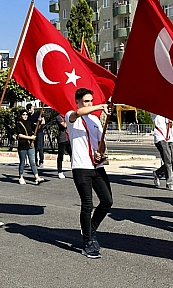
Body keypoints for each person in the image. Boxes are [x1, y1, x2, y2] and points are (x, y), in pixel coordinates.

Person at [66, 88, 113, 259]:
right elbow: (79, 112)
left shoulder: (95, 120)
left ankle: (90, 228)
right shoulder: (72, 117)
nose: (90, 104)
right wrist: (101, 105)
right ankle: (87, 243)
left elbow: (101, 142)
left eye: (91, 101)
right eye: (86, 101)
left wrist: (102, 153)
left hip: (97, 166)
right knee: (87, 204)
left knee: (107, 201)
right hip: (81, 167)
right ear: (77, 101)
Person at [151, 114, 173, 191]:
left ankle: (157, 173)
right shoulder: (155, 113)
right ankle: (170, 183)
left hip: (169, 137)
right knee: (168, 161)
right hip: (160, 137)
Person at [16, 110, 43, 185]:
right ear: (21, 115)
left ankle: (37, 177)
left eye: (26, 115)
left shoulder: (29, 123)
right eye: (23, 114)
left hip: (30, 146)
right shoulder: (19, 123)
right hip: (22, 145)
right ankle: (21, 177)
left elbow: (37, 127)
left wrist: (40, 121)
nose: (25, 116)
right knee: (22, 162)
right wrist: (30, 138)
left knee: (33, 162)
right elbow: (19, 135)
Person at [55, 111, 71, 179]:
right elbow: (64, 125)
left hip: (69, 138)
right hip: (62, 138)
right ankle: (60, 171)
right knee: (60, 155)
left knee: (72, 154)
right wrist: (69, 119)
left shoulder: (68, 116)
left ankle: (75, 168)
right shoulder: (58, 117)